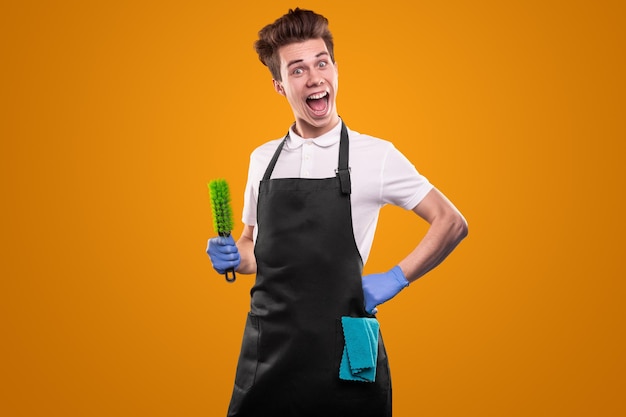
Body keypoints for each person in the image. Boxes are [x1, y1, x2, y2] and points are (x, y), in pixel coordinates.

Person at [207, 8, 468, 417]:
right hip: (269, 348)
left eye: (321, 63)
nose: (314, 78)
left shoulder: (376, 156)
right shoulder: (262, 160)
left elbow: (451, 221)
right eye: (297, 70)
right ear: (279, 85)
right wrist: (232, 255)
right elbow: (253, 250)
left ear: (335, 69)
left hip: (346, 349)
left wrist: (397, 277)